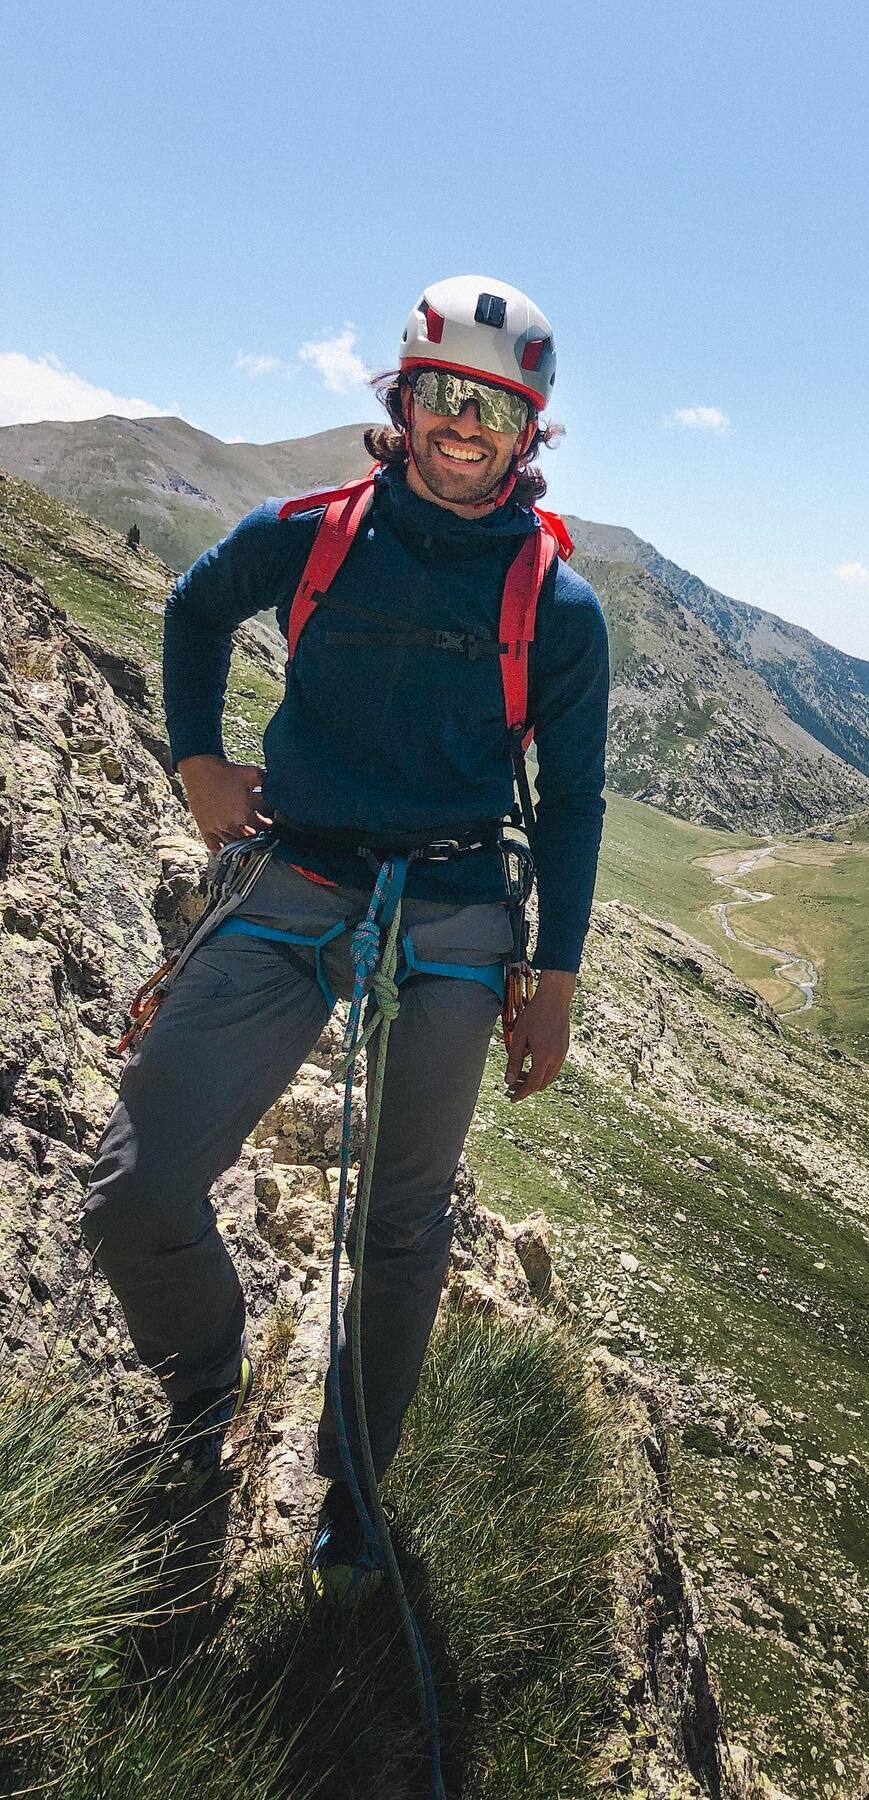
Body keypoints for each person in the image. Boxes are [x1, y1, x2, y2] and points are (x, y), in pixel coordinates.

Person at [80, 275, 609, 1595]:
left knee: (405, 1225)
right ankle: (203, 1398)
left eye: (497, 405)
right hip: (294, 884)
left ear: (528, 426)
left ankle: (352, 1495)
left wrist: (554, 984)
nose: (465, 425)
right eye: (444, 393)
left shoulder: (560, 603)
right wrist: (198, 763)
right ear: (403, 396)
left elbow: (579, 799)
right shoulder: (306, 532)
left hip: (453, 914)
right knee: (134, 1194)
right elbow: (197, 610)